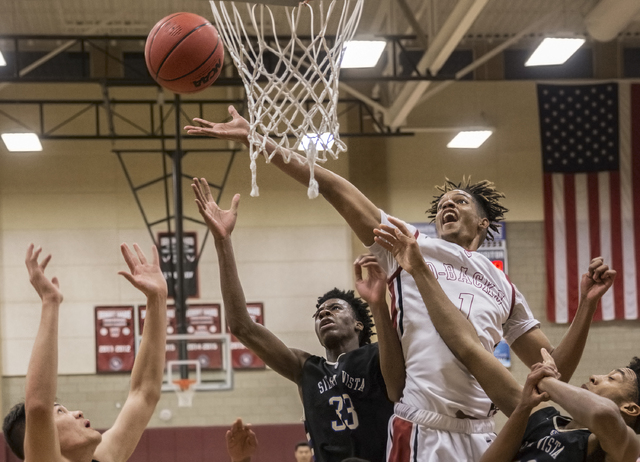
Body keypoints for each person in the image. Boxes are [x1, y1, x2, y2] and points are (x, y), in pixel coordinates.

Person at [185, 109, 602, 460]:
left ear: (483, 223)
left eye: (460, 201)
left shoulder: (505, 286)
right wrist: (258, 140)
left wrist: (585, 306)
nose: (448, 205)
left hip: (485, 429)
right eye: (442, 204)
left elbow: (553, 371)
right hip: (423, 424)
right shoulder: (408, 245)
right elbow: (336, 187)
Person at [374, 216, 640, 462]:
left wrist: (544, 380)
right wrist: (523, 407)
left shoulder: (623, 447)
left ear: (631, 409)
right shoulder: (545, 422)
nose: (595, 376)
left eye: (612, 378)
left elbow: (603, 414)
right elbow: (468, 349)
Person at [191, 178, 401, 462]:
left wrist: (378, 306)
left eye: (336, 308)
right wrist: (222, 241)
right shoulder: (306, 369)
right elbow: (242, 327)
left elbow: (396, 384)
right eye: (319, 313)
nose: (325, 313)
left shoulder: (378, 354)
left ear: (358, 324)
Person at [2, 243, 168, 462]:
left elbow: (144, 393)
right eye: (61, 412)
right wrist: (50, 302)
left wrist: (157, 299)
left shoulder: (104, 457)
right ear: (38, 439)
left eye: (65, 410)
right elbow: (39, 406)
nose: (77, 412)